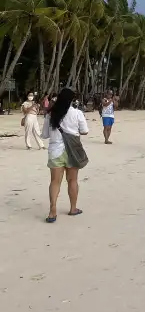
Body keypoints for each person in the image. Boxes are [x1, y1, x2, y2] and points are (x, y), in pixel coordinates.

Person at [41, 88, 88, 223]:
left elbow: (45, 135)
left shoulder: (51, 114)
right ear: (72, 100)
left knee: (55, 182)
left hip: (55, 151)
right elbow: (85, 131)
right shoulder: (77, 113)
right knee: (72, 180)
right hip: (72, 151)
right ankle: (73, 208)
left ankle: (52, 211)